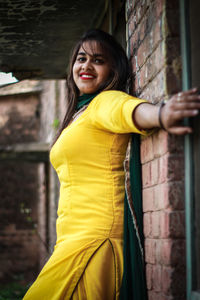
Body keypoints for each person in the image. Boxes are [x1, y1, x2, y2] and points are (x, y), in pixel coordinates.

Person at [23, 29, 200, 300]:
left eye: (98, 60)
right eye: (81, 58)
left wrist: (163, 114)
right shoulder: (79, 113)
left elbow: (130, 110)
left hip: (95, 239)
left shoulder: (105, 101)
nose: (86, 66)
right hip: (72, 239)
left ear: (113, 70)